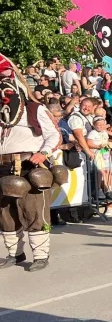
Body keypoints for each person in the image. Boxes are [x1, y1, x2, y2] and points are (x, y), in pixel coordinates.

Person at [0, 54, 60, 271]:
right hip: (3, 167)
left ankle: (41, 255)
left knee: (34, 210)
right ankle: (14, 254)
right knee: (6, 212)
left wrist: (43, 153)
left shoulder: (34, 109)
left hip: (28, 165)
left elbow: (54, 135)